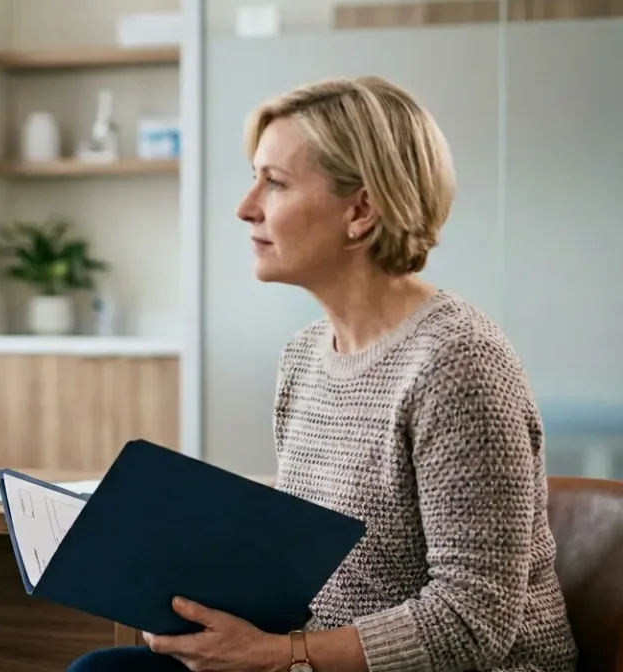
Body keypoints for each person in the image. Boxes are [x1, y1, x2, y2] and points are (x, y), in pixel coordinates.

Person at [68, 76, 579, 672]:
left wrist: (281, 654)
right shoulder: (305, 356)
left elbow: (472, 622)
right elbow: (305, 567)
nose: (245, 206)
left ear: (360, 210)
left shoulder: (459, 362)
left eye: (275, 183)